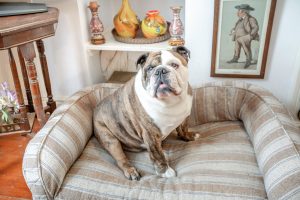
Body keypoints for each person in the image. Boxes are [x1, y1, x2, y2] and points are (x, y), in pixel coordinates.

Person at [227, 4, 259, 68]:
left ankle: (248, 60)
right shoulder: (240, 20)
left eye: (239, 11)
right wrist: (233, 30)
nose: (237, 13)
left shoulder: (251, 19)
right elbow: (237, 27)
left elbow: (255, 28)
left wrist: (250, 36)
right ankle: (236, 58)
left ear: (244, 12)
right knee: (237, 43)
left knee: (243, 43)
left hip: (247, 36)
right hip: (239, 37)